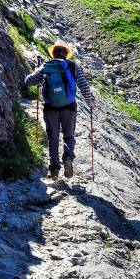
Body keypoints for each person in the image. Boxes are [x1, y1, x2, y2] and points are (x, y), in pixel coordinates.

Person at [24, 40, 95, 180]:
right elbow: (83, 85)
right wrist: (90, 100)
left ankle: (55, 170)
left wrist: (36, 72)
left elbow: (28, 81)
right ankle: (68, 158)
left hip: (50, 108)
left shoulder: (46, 67)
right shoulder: (72, 66)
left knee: (53, 138)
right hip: (69, 107)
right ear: (66, 54)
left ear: (53, 53)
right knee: (68, 136)